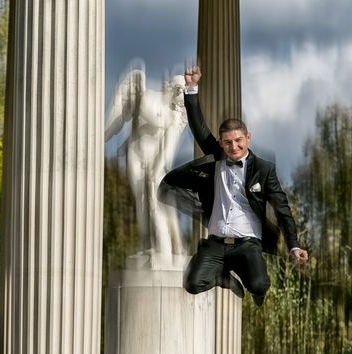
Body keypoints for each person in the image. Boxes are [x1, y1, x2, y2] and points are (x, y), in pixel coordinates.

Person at [160, 65, 308, 306]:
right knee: (192, 283)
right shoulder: (217, 158)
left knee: (260, 285)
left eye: (238, 140)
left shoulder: (264, 169)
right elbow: (199, 128)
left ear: (248, 137)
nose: (234, 147)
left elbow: (282, 208)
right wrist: (191, 87)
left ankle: (247, 279)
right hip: (216, 244)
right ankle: (221, 276)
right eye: (227, 142)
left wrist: (294, 246)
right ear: (221, 143)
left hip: (248, 245)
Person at [105, 63, 188, 267]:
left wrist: (157, 170)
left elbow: (167, 150)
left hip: (155, 162)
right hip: (135, 154)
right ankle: (147, 244)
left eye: (184, 96)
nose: (181, 99)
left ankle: (166, 249)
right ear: (172, 88)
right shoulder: (148, 94)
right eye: (181, 92)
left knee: (158, 203)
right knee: (142, 201)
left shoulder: (175, 115)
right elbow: (138, 126)